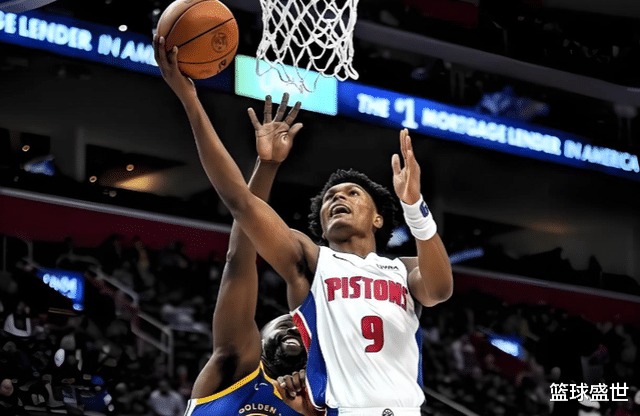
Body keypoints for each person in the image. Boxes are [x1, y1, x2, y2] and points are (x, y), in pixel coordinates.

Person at [154, 35, 453, 416]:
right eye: (329, 198)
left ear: (378, 218)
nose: (338, 198)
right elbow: (240, 203)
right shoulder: (311, 261)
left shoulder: (404, 269)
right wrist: (191, 101)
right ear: (322, 228)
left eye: (353, 193)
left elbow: (439, 289)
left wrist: (414, 207)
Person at [158, 53, 317, 415]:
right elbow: (239, 259)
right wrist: (267, 166)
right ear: (257, 341)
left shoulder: (325, 405)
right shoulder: (234, 369)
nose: (291, 329)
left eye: (297, 328)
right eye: (284, 325)